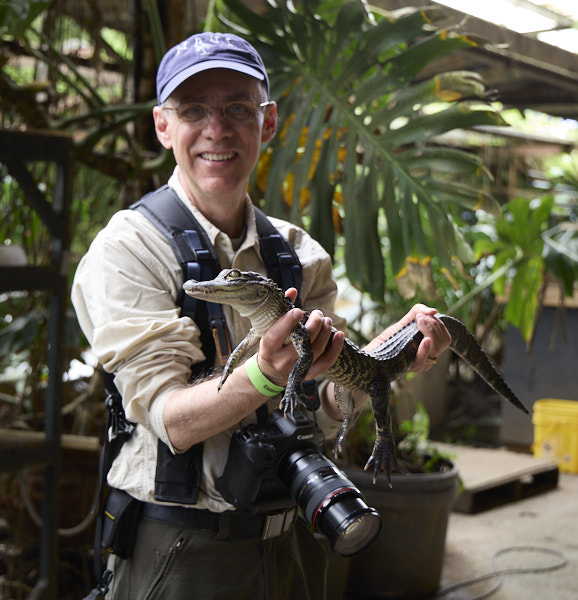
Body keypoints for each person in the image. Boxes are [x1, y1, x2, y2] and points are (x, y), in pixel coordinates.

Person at [72, 32, 451, 600]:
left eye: (237, 109)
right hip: (182, 551)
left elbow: (320, 409)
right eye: (193, 109)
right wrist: (264, 375)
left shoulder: (302, 256)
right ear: (163, 126)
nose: (217, 129)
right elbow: (170, 419)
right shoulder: (127, 248)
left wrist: (376, 368)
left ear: (267, 122)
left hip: (293, 541)